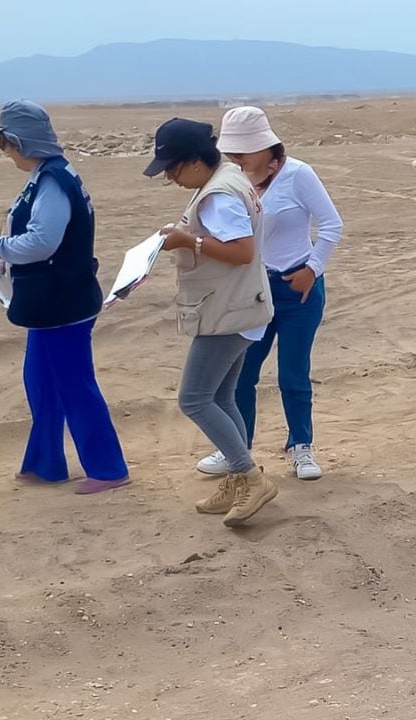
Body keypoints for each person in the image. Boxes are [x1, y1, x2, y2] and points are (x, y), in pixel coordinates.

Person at [0, 99, 129, 495]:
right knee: (41, 382)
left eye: (4, 145)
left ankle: (109, 468)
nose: (5, 154)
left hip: (62, 303)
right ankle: (45, 462)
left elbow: (42, 242)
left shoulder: (54, 182)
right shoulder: (51, 177)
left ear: (18, 141)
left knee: (74, 385)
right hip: (50, 304)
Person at [193, 106, 344, 481]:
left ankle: (301, 446)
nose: (236, 157)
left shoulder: (298, 175)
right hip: (253, 291)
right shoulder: (229, 180)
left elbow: (331, 224)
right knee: (241, 375)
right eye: (231, 151)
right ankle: (236, 449)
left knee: (293, 372)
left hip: (297, 288)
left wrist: (312, 270)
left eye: (244, 150)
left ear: (267, 146)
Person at [143, 118, 279, 527]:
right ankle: (242, 478)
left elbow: (240, 251)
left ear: (195, 163)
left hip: (228, 311)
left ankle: (249, 478)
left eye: (172, 169)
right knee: (221, 398)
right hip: (240, 306)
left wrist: (188, 241)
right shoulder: (230, 178)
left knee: (195, 399)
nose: (169, 177)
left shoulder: (218, 195)